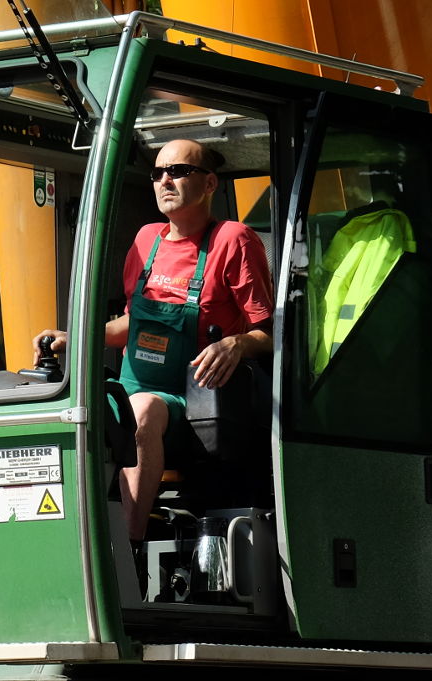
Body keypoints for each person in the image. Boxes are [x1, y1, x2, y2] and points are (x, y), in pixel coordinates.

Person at [33, 139, 274, 543]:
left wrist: (235, 344)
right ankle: (64, 541)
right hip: (131, 388)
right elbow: (134, 323)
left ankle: (127, 548)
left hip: (194, 402)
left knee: (140, 410)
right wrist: (72, 338)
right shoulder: (147, 239)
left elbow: (267, 334)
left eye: (178, 171)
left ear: (211, 183)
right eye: (158, 173)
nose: (165, 180)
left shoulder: (233, 239)